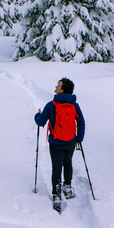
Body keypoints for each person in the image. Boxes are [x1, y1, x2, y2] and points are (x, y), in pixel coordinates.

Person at [35, 77, 85, 208]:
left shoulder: (51, 105)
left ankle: (56, 194)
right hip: (71, 141)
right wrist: (79, 139)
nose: (55, 88)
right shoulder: (74, 105)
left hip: (56, 142)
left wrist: (37, 116)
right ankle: (67, 188)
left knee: (56, 168)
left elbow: (41, 122)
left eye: (58, 86)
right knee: (68, 163)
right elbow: (81, 123)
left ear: (62, 90)